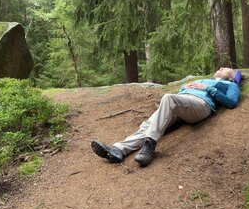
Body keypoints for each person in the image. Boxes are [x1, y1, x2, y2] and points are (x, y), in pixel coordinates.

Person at [91, 67, 241, 167]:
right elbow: (182, 92)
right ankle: (119, 150)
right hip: (182, 103)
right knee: (149, 124)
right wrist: (184, 88)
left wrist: (207, 88)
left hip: (201, 106)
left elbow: (231, 102)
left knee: (168, 98)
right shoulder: (203, 79)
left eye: (225, 68)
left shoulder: (231, 85)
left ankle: (149, 147)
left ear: (232, 76)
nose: (220, 68)